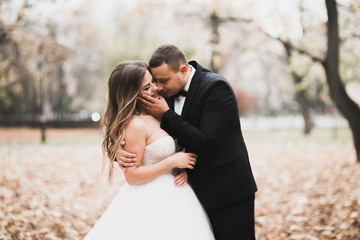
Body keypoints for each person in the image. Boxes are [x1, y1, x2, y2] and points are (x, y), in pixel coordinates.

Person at [117, 44, 258, 240]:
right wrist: (117, 150)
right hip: (185, 194)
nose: (158, 87)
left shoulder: (216, 88)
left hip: (226, 190)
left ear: (183, 70)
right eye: (155, 81)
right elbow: (137, 129)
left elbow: (205, 141)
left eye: (163, 80)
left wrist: (166, 114)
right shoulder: (161, 92)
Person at [84, 61, 215, 240]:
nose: (156, 88)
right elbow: (132, 176)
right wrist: (173, 161)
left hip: (177, 194)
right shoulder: (136, 124)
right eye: (147, 87)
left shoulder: (158, 111)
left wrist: (181, 169)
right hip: (150, 199)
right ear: (133, 95)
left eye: (153, 81)